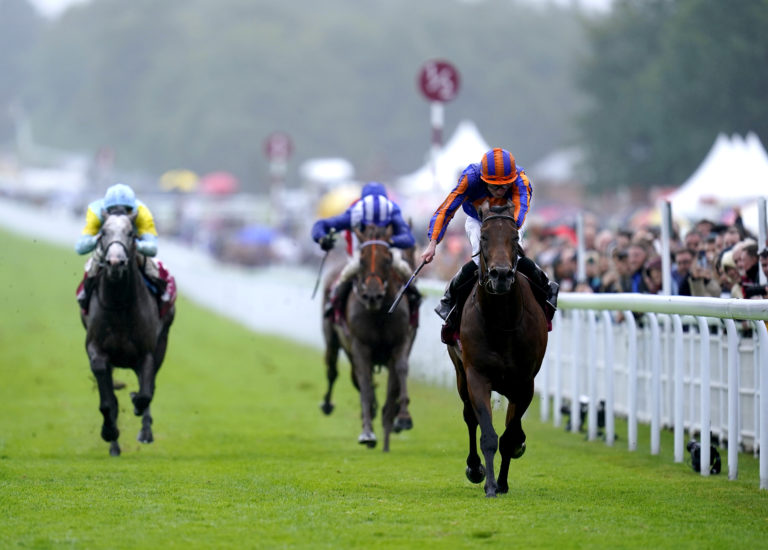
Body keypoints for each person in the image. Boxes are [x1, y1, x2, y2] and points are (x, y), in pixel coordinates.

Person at [420, 147, 558, 343]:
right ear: (483, 179)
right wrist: (432, 243)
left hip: (508, 219)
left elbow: (520, 213)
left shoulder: (522, 181)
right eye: (494, 186)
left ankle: (547, 290)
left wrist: (505, 235)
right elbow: (446, 209)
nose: (501, 190)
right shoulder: (470, 178)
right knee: (480, 259)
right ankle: (450, 304)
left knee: (514, 258)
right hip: (478, 220)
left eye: (505, 186)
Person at [311, 182, 419, 323]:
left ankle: (414, 302)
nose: (374, 225)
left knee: (403, 268)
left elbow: (409, 239)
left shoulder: (392, 211)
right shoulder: (355, 213)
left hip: (387, 251)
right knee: (348, 271)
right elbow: (321, 225)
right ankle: (335, 303)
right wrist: (321, 238)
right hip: (361, 252)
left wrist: (389, 242)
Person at [75, 183, 174, 315]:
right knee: (91, 267)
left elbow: (153, 247)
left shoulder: (142, 212)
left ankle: (162, 299)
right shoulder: (96, 211)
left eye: (125, 210)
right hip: (106, 248)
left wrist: (137, 245)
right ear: (106, 210)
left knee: (154, 268)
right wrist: (96, 239)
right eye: (113, 210)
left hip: (133, 247)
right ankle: (85, 299)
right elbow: (80, 247)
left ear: (132, 210)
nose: (119, 215)